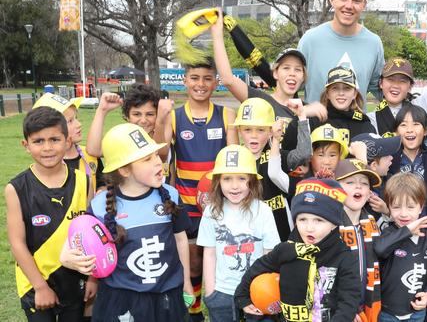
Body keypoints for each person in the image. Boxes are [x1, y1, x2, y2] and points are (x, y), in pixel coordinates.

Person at [153, 58, 238, 321]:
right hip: (187, 206)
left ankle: (221, 309)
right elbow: (161, 153)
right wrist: (160, 118)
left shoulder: (227, 115)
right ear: (185, 80)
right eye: (194, 78)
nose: (200, 84)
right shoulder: (175, 117)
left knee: (221, 260)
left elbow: (232, 159)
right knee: (193, 262)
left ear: (215, 82)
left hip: (220, 204)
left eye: (207, 78)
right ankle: (195, 312)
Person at [84, 123, 193, 321]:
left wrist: (186, 282)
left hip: (167, 297)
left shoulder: (171, 196)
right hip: (121, 300)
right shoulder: (100, 206)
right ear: (125, 170)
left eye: (156, 155)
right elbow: (79, 245)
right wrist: (69, 258)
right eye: (147, 159)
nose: (158, 162)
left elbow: (180, 241)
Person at [6, 107, 94, 321]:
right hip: (35, 284)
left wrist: (93, 278)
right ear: (26, 145)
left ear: (67, 141)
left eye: (54, 139)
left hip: (75, 282)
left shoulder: (84, 180)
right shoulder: (16, 188)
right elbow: (17, 243)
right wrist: (40, 286)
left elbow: (92, 233)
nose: (47, 148)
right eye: (38, 141)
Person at [234, 177, 361, 322]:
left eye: (319, 220)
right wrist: (242, 298)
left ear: (334, 224)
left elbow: (349, 300)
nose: (309, 227)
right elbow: (256, 268)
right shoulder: (286, 250)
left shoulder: (344, 256)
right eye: (302, 219)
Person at [197, 145, 280, 322]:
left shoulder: (263, 211)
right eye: (227, 179)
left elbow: (270, 254)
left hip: (256, 291)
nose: (234, 186)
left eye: (241, 178)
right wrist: (211, 291)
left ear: (252, 181)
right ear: (218, 181)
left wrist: (266, 289)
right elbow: (209, 253)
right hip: (222, 292)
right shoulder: (211, 211)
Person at [211, 9, 326, 124]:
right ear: (275, 73)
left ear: (303, 77)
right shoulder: (260, 100)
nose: (292, 73)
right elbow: (228, 80)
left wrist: (311, 111)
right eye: (286, 68)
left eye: (298, 69)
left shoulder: (311, 111)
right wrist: (217, 34)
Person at [232, 97, 310, 241]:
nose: (253, 135)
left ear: (270, 132)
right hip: (249, 234)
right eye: (248, 129)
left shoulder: (277, 156)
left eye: (260, 130)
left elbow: (304, 153)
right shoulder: (234, 160)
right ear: (239, 130)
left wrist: (302, 117)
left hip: (281, 233)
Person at [298, 0, 384, 104]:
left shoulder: (374, 43)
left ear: (364, 4)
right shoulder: (310, 40)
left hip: (358, 124)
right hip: (316, 124)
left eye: (356, 0)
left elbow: (381, 90)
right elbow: (291, 86)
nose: (349, 6)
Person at [369, 25, 427, 136]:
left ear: (410, 86)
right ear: (381, 83)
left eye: (402, 81)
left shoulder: (420, 107)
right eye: (390, 79)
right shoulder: (370, 119)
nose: (395, 85)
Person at [375, 172, 427, 322]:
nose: (404, 214)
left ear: (421, 207)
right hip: (388, 312)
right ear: (389, 208)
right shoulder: (388, 234)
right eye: (397, 207)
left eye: (411, 207)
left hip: (416, 312)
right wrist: (406, 231)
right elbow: (380, 249)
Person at [281, 66, 376, 152]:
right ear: (327, 94)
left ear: (354, 94)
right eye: (335, 88)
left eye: (347, 88)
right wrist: (301, 116)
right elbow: (288, 148)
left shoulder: (364, 124)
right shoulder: (314, 119)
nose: (341, 93)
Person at [335, 159, 383, 321]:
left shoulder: (372, 223)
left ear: (369, 191)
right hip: (340, 307)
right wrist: (348, 308)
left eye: (364, 183)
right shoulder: (330, 225)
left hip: (368, 303)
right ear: (335, 188)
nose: (358, 186)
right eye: (349, 182)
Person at [33, 93, 102, 193]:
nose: (79, 124)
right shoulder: (48, 164)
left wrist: (101, 191)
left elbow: (103, 183)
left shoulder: (90, 154)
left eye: (76, 118)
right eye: (70, 121)